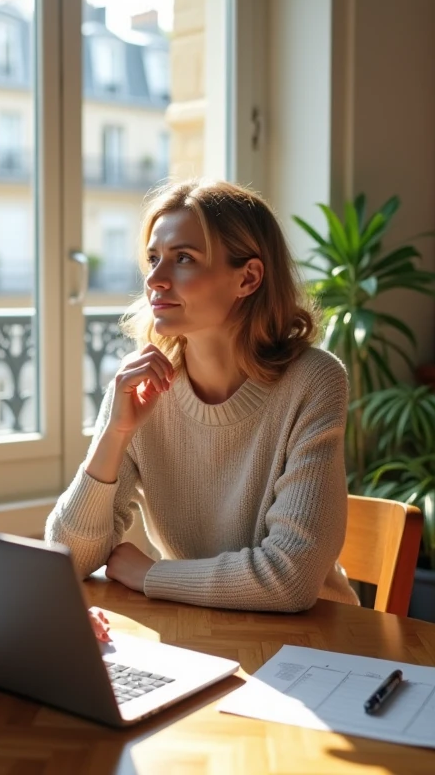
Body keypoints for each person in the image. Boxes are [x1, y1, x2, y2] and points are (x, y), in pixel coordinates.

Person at [47, 179, 358, 641]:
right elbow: (68, 557)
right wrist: (115, 434)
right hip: (196, 635)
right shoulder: (144, 386)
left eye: (184, 258)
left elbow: (289, 579)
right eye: (154, 259)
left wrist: (151, 576)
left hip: (312, 645)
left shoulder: (313, 381)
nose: (155, 279)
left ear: (248, 278)